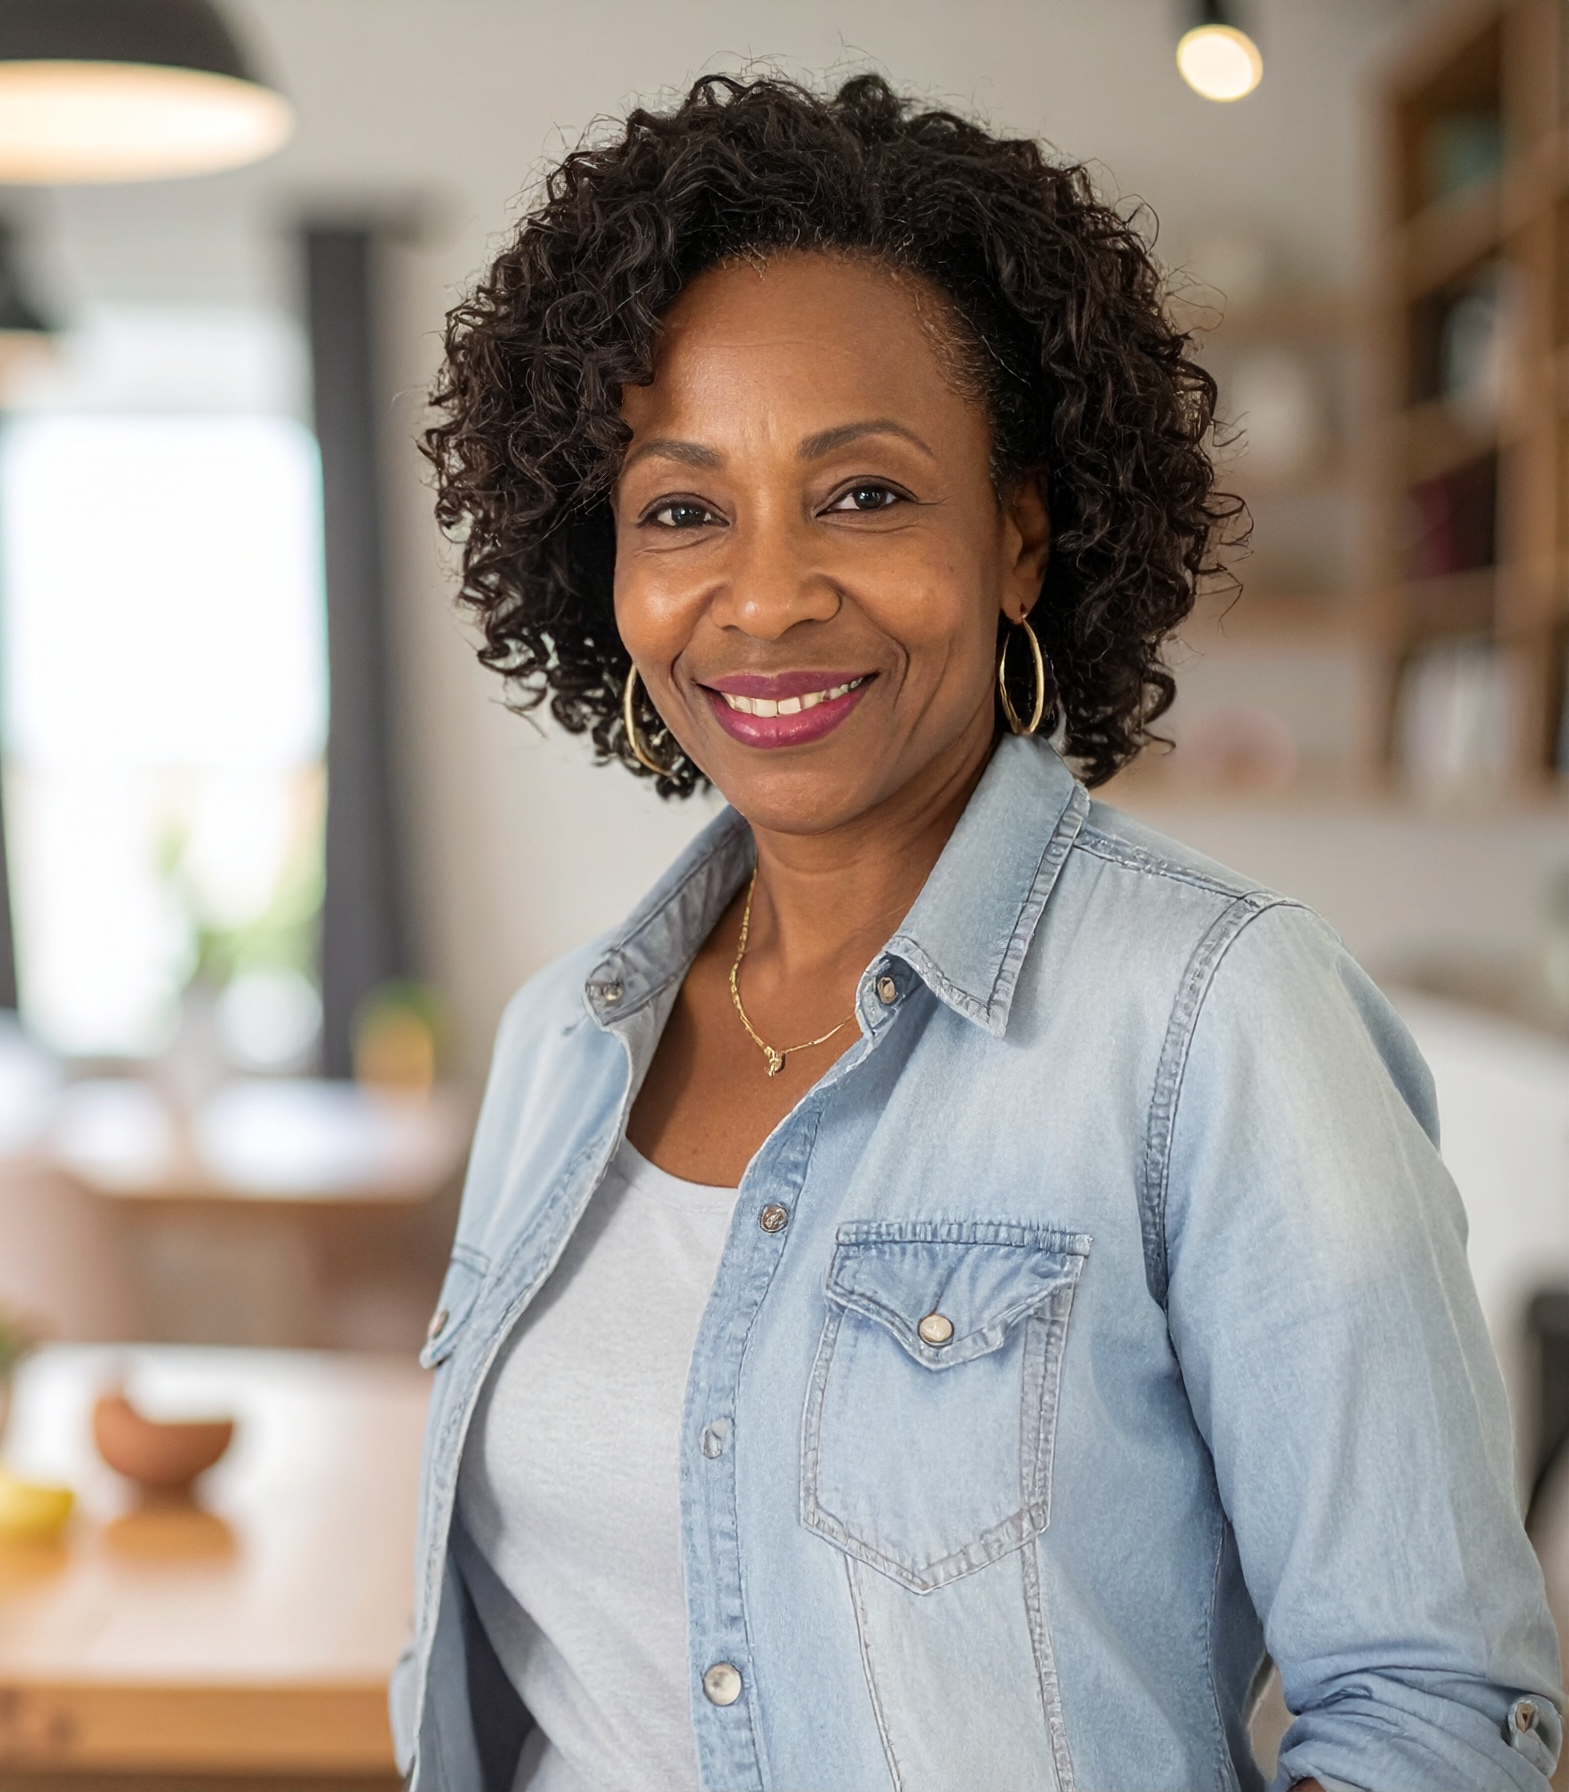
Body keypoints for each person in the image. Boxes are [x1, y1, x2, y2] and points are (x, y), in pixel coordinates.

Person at [391, 72, 1562, 1792]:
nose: (769, 593)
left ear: (1019, 534)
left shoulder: (1218, 1016)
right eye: (683, 507)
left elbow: (1436, 1719)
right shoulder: (562, 1041)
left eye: (862, 495)